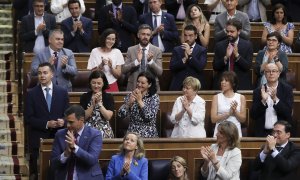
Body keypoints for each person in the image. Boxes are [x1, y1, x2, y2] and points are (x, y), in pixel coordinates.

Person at [24, 62, 69, 179]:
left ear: (52, 74)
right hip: (38, 139)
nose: (42, 76)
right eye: (39, 73)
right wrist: (46, 124)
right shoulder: (31, 94)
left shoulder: (62, 92)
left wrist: (63, 121)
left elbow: (68, 116)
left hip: (58, 138)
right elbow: (28, 118)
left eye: (45, 73)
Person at [50, 105, 104, 180]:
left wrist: (74, 147)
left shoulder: (95, 134)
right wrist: (65, 154)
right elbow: (53, 164)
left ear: (81, 120)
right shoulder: (60, 134)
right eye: (67, 122)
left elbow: (92, 160)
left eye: (71, 122)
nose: (68, 125)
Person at [251, 63, 293, 137]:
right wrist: (263, 101)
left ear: (279, 73)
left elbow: (288, 113)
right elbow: (253, 115)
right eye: (268, 71)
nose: (271, 73)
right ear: (264, 74)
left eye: (274, 71)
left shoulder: (287, 90)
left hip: (281, 134)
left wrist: (275, 99)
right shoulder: (258, 91)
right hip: (262, 133)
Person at [213, 18, 253, 90]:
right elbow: (215, 67)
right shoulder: (219, 45)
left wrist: (237, 55)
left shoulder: (247, 45)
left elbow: (247, 67)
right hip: (222, 84)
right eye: (227, 31)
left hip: (241, 84)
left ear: (239, 31)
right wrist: (226, 57)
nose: (229, 34)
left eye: (232, 32)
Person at [118, 72, 159, 138]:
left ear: (149, 84)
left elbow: (149, 117)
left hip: (148, 133)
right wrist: (129, 103)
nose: (139, 85)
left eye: (142, 83)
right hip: (132, 133)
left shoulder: (154, 97)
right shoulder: (131, 95)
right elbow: (120, 115)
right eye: (138, 82)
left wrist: (140, 101)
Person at [122, 24, 162, 91]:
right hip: (134, 87)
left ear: (151, 36)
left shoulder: (157, 50)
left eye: (148, 35)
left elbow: (159, 72)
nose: (145, 37)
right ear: (138, 35)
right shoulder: (131, 50)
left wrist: (151, 61)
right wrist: (136, 62)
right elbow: (124, 70)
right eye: (143, 34)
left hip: (151, 88)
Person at [169, 24, 207, 91]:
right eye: (185, 35)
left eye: (190, 36)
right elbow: (172, 67)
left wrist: (190, 55)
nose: (187, 38)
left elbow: (200, 67)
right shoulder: (177, 49)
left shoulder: (202, 50)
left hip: (196, 85)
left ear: (196, 36)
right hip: (178, 85)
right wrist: (184, 59)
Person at [80, 70, 115, 138]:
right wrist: (92, 104)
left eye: (99, 83)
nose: (96, 86)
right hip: (88, 129)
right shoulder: (84, 96)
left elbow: (108, 117)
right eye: (94, 83)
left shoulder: (108, 97)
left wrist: (99, 103)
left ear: (103, 83)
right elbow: (83, 117)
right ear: (90, 82)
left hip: (104, 129)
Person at [211, 71, 246, 137]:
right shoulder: (216, 97)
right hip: (220, 132)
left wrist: (235, 111)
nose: (223, 82)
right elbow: (213, 119)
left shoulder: (241, 97)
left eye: (226, 80)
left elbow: (243, 119)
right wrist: (228, 113)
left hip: (235, 132)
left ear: (233, 83)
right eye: (222, 80)